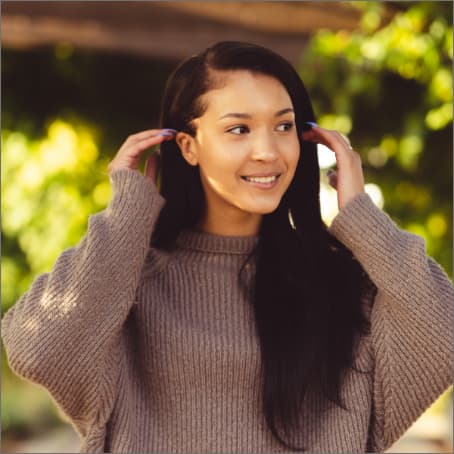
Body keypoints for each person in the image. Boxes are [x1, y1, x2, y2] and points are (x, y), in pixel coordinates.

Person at [1, 41, 452, 453]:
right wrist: (127, 214)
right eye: (239, 129)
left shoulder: (342, 286)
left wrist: (361, 216)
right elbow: (38, 349)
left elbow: (444, 335)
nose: (267, 151)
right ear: (187, 146)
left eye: (284, 126)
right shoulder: (130, 284)